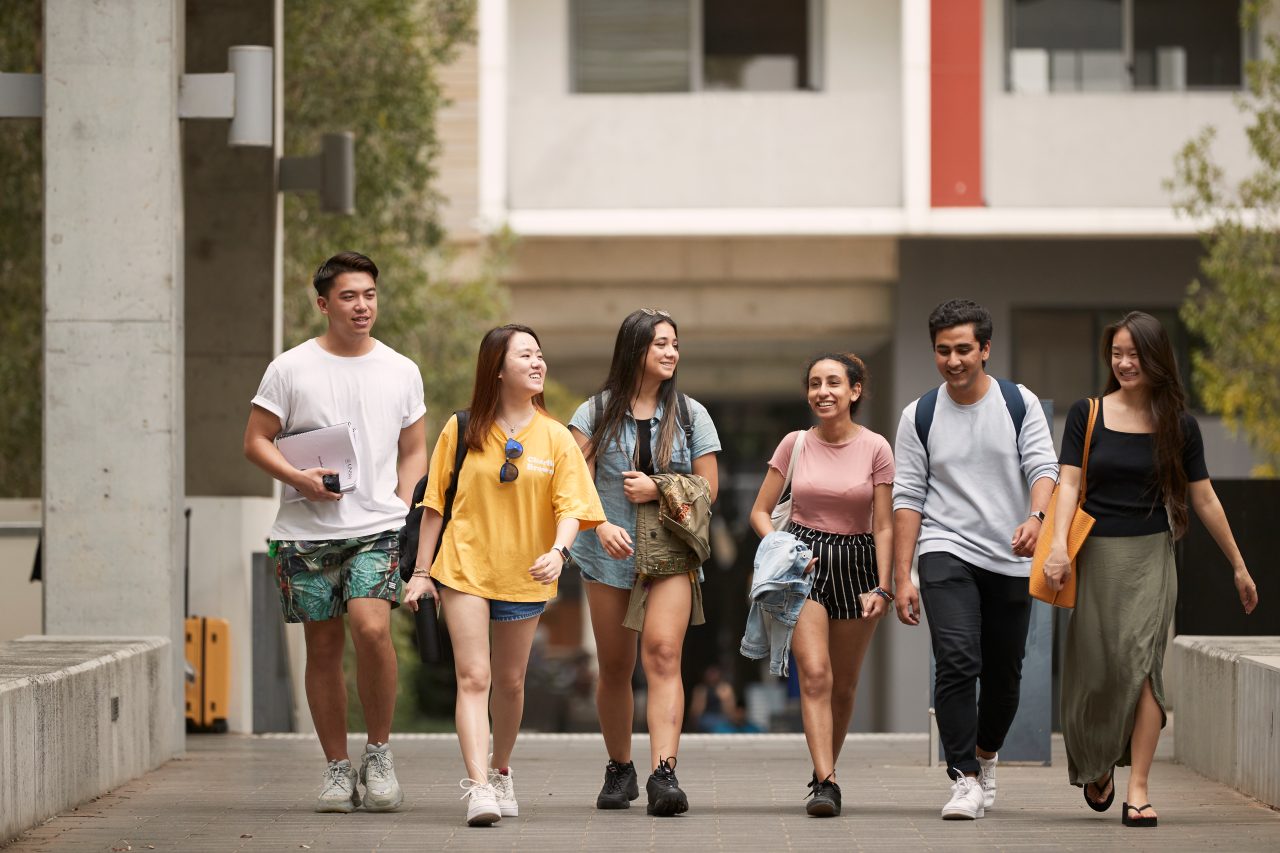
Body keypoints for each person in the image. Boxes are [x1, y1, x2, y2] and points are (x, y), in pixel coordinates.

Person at [1043, 311, 1259, 827]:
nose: (1124, 363)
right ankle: (1099, 763)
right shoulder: (1087, 413)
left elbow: (1202, 497)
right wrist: (1057, 548)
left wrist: (1239, 565)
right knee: (1096, 675)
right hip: (1095, 557)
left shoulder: (1178, 425)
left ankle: (1138, 787)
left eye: (1134, 354)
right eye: (1116, 353)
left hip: (1151, 557)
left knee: (1145, 671)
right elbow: (1068, 485)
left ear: (1157, 358)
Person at [244, 251, 426, 813]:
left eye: (369, 294)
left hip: (376, 527)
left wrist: (400, 499)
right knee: (322, 649)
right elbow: (255, 440)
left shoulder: (400, 369)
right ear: (324, 304)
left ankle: (379, 753)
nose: (362, 305)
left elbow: (415, 447)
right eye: (349, 296)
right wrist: (298, 477)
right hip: (304, 531)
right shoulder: (290, 368)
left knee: (371, 630)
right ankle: (336, 768)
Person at [402, 324, 605, 827]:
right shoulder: (463, 428)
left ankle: (502, 768)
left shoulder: (557, 437)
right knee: (474, 677)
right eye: (525, 355)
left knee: (511, 683)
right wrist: (421, 572)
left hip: (526, 573)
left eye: (540, 354)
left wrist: (559, 552)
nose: (538, 363)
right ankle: (478, 788)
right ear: (497, 368)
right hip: (464, 567)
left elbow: (573, 508)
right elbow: (433, 504)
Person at [892, 299, 1058, 820]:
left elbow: (1044, 467)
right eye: (943, 351)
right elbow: (907, 497)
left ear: (984, 349)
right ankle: (963, 777)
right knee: (957, 659)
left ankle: (986, 759)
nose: (953, 360)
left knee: (1005, 673)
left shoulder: (1017, 402)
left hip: (1010, 554)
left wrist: (1036, 518)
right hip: (946, 548)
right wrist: (903, 576)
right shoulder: (918, 414)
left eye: (964, 349)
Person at [568, 308, 721, 816]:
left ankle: (664, 773)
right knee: (615, 666)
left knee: (661, 655)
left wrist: (659, 486)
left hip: (672, 555)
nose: (671, 352)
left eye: (675, 343)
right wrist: (599, 523)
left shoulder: (693, 414)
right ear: (635, 349)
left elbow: (710, 489)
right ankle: (620, 769)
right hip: (607, 555)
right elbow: (573, 484)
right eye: (660, 343)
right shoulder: (593, 413)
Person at [748, 353, 895, 817]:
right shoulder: (794, 444)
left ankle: (822, 770)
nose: (822, 391)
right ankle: (827, 783)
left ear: (855, 391)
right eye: (814, 383)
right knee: (816, 676)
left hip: (859, 567)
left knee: (845, 685)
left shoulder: (876, 448)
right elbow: (759, 511)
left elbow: (886, 526)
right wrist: (783, 550)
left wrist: (884, 587)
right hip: (804, 566)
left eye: (834, 382)